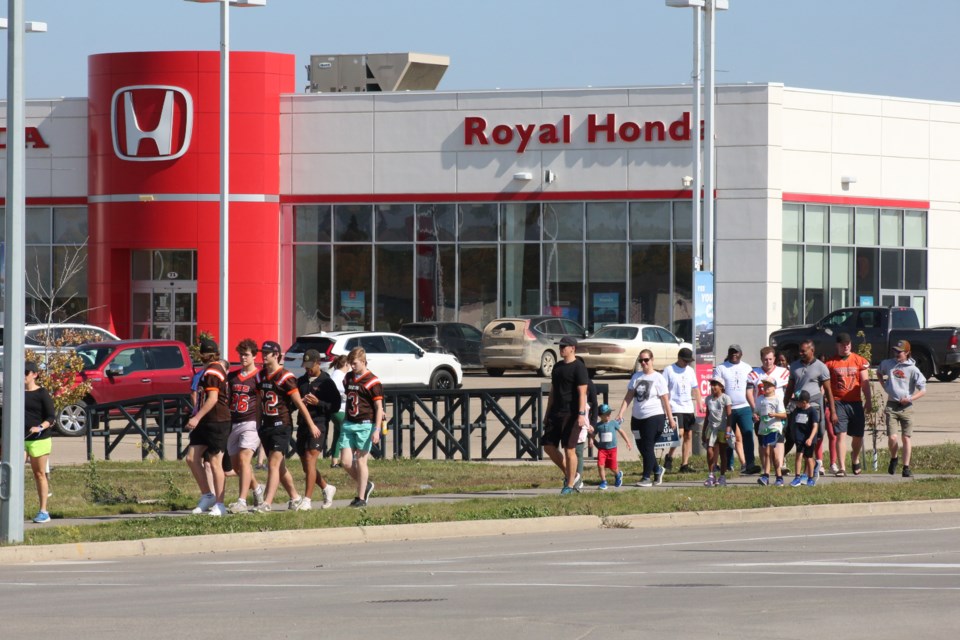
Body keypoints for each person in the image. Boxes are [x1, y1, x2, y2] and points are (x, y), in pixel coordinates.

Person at [256, 340, 313, 511]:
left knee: (273, 464)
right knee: (279, 467)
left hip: (282, 425)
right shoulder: (261, 375)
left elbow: (299, 403)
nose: (264, 355)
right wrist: (257, 425)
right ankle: (295, 497)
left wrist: (311, 424)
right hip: (267, 424)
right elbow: (259, 402)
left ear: (276, 355)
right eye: (263, 352)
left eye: (267, 353)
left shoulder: (286, 377)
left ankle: (267, 503)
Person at [616, 349, 676, 487]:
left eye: (646, 360)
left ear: (652, 360)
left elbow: (665, 400)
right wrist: (621, 413)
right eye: (641, 360)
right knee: (641, 446)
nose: (643, 363)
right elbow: (629, 396)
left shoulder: (658, 378)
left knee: (648, 446)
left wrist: (670, 418)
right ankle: (657, 469)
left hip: (654, 417)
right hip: (637, 418)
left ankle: (646, 477)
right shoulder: (636, 377)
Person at [185, 338, 231, 516]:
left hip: (217, 421)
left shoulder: (214, 371)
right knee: (192, 458)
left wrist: (196, 417)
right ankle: (208, 495)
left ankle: (220, 504)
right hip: (206, 421)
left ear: (203, 354)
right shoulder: (209, 370)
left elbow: (212, 399)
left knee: (214, 462)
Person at [543, 335, 590, 494]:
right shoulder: (557, 367)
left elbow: (583, 392)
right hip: (556, 413)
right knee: (548, 446)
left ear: (572, 348)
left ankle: (569, 485)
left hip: (572, 414)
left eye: (564, 346)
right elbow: (553, 392)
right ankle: (573, 475)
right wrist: (547, 413)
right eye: (560, 346)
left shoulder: (579, 367)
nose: (561, 348)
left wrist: (581, 414)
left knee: (569, 449)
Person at [296, 349, 341, 509]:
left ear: (318, 363)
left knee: (310, 460)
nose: (307, 369)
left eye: (310, 366)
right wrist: (299, 402)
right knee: (306, 466)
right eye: (305, 366)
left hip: (319, 424)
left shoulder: (326, 382)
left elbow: (335, 406)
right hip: (302, 425)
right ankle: (326, 488)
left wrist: (318, 403)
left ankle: (307, 500)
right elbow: (292, 403)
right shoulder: (301, 381)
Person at [784, 339, 835, 478]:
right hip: (798, 406)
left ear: (812, 351)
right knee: (799, 437)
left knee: (812, 438)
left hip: (814, 406)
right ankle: (805, 470)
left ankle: (810, 470)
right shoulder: (794, 366)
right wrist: (784, 406)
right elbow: (789, 388)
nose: (800, 353)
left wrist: (833, 412)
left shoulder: (821, 367)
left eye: (803, 351)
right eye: (799, 351)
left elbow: (828, 391)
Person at [226, 339, 266, 514]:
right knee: (237, 467)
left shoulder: (259, 377)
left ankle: (242, 501)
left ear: (254, 356)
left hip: (251, 422)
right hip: (234, 422)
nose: (243, 357)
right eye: (241, 354)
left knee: (244, 460)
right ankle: (257, 488)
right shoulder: (233, 377)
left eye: (246, 354)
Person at [339, 346, 383, 507]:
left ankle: (361, 497)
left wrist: (376, 429)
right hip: (349, 422)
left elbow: (379, 407)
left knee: (361, 461)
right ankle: (365, 484)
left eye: (355, 363)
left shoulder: (373, 381)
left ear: (364, 362)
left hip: (365, 424)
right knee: (345, 461)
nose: (352, 366)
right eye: (350, 363)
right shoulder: (348, 377)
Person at [825, 333, 872, 476]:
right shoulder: (830, 363)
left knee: (858, 435)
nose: (845, 346)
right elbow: (825, 385)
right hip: (838, 402)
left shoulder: (859, 360)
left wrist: (869, 401)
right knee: (840, 434)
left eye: (848, 344)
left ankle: (855, 457)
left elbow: (865, 383)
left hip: (855, 402)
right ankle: (842, 467)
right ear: (837, 345)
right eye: (842, 344)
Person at [877, 339, 926, 478]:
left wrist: (910, 398)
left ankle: (906, 467)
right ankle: (894, 458)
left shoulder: (913, 369)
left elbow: (923, 390)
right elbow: (879, 372)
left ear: (907, 353)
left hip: (906, 407)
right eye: (895, 351)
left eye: (900, 352)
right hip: (892, 406)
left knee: (906, 438)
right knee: (892, 437)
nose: (897, 353)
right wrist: (884, 385)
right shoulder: (888, 364)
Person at [713, 344, 759, 474]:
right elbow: (717, 388)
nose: (734, 354)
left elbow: (752, 388)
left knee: (748, 435)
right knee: (725, 437)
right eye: (732, 352)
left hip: (744, 407)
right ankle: (727, 464)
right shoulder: (721, 368)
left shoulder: (747, 368)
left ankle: (749, 464)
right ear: (728, 353)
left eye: (736, 352)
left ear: (741, 354)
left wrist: (754, 407)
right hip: (727, 408)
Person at [748, 346, 790, 474]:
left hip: (778, 413)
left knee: (779, 439)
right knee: (763, 442)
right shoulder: (754, 374)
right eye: (765, 359)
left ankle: (780, 464)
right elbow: (749, 393)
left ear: (774, 359)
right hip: (762, 414)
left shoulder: (783, 372)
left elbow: (788, 391)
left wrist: (785, 408)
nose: (768, 362)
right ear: (761, 359)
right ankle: (765, 468)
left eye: (771, 359)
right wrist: (755, 410)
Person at [663, 347, 704, 473]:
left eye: (688, 361)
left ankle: (684, 464)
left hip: (688, 407)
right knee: (679, 433)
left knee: (688, 435)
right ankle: (669, 456)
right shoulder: (669, 370)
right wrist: (665, 408)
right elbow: (663, 390)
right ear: (679, 358)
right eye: (684, 361)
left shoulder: (690, 371)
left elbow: (695, 388)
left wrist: (699, 403)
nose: (686, 363)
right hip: (674, 406)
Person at [24, 361, 56, 523]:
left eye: (26, 372)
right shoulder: (16, 393)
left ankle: (43, 511)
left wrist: (40, 427)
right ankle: (10, 509)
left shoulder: (42, 393)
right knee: (12, 473)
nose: (23, 375)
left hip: (39, 439)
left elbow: (51, 416)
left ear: (34, 375)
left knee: (39, 474)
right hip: (20, 440)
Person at [590, 403, 631, 490]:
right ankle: (603, 482)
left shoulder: (613, 423)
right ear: (600, 416)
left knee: (612, 467)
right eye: (606, 414)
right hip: (602, 450)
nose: (609, 415)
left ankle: (618, 474)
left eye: (609, 413)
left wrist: (628, 442)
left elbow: (621, 432)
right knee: (600, 465)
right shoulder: (598, 425)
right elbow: (593, 434)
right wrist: (591, 440)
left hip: (612, 449)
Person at [756, 378, 787, 486]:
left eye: (769, 385)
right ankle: (767, 476)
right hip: (763, 428)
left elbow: (784, 415)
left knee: (772, 451)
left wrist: (775, 415)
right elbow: (757, 413)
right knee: (766, 452)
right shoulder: (760, 399)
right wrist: (755, 416)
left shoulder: (777, 399)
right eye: (764, 385)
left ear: (774, 388)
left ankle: (778, 477)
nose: (766, 388)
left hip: (774, 427)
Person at [701, 377, 732, 487]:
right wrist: (704, 430)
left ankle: (722, 476)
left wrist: (728, 430)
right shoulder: (708, 399)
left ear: (721, 387)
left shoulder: (725, 398)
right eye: (712, 384)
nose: (713, 387)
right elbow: (707, 416)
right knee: (710, 451)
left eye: (716, 384)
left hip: (722, 428)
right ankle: (711, 474)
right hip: (711, 427)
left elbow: (729, 416)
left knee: (723, 452)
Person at [789, 390, 820, 487]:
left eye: (797, 402)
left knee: (809, 458)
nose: (796, 403)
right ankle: (797, 477)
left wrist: (810, 438)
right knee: (798, 457)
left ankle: (810, 478)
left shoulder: (812, 411)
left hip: (809, 439)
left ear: (804, 402)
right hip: (799, 438)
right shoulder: (796, 410)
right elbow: (793, 423)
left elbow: (815, 426)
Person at [327, 354, 350, 468]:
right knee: (346, 435)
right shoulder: (340, 376)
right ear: (346, 364)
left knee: (337, 434)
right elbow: (340, 392)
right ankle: (345, 460)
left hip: (333, 410)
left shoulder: (334, 374)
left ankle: (334, 461)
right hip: (340, 410)